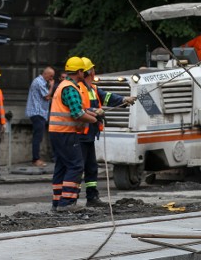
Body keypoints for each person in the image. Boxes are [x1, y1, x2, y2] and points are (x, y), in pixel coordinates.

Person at [77, 57, 137, 207]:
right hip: (79, 135)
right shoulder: (77, 88)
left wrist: (124, 99)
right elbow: (77, 110)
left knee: (91, 167)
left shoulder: (93, 88)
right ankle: (71, 198)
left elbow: (107, 97)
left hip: (89, 134)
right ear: (89, 72)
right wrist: (93, 111)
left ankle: (92, 197)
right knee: (78, 168)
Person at [48, 56, 98, 213]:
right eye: (83, 70)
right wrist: (94, 119)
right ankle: (67, 203)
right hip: (66, 133)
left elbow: (79, 109)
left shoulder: (64, 85)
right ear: (79, 72)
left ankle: (57, 202)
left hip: (57, 133)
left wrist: (93, 112)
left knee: (62, 167)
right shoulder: (71, 88)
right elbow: (77, 114)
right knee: (76, 165)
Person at [26, 66, 56, 166]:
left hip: (41, 113)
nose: (51, 79)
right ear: (45, 74)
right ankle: (36, 159)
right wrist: (51, 86)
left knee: (39, 137)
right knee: (37, 137)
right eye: (51, 76)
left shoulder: (42, 82)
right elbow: (47, 96)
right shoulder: (39, 82)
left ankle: (37, 158)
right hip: (37, 112)